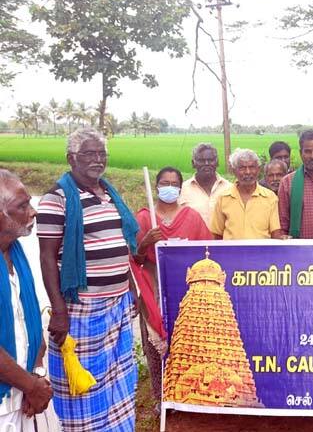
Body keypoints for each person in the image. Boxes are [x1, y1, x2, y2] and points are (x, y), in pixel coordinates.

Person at [36, 128, 139, 432]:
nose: (97, 159)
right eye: (89, 154)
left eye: (101, 153)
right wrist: (58, 309)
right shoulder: (57, 199)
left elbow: (121, 243)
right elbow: (47, 257)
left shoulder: (108, 193)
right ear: (71, 158)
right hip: (82, 309)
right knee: (85, 382)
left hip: (117, 304)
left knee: (118, 377)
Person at [132, 166, 211, 403]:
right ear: (156, 186)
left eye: (174, 183)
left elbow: (208, 251)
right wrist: (145, 243)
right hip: (153, 285)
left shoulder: (192, 217)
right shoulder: (144, 218)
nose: (169, 187)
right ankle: (161, 397)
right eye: (164, 183)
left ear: (180, 187)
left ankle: (188, 394)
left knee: (187, 341)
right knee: (155, 345)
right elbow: (134, 259)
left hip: (184, 284)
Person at [0, 170, 52, 431]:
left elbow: (30, 322)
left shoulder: (16, 252)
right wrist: (32, 386)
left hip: (21, 397)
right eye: (22, 206)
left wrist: (36, 378)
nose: (33, 212)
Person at [211, 149, 284, 239]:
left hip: (261, 252)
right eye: (242, 168)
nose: (248, 172)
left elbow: (275, 233)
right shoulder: (223, 198)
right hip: (230, 252)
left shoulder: (270, 197)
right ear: (234, 171)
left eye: (252, 167)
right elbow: (216, 234)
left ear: (258, 170)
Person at [179, 143, 231, 228]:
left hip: (223, 240)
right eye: (201, 160)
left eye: (211, 160)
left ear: (217, 162)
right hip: (193, 241)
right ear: (193, 163)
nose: (206, 163)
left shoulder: (229, 188)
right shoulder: (182, 189)